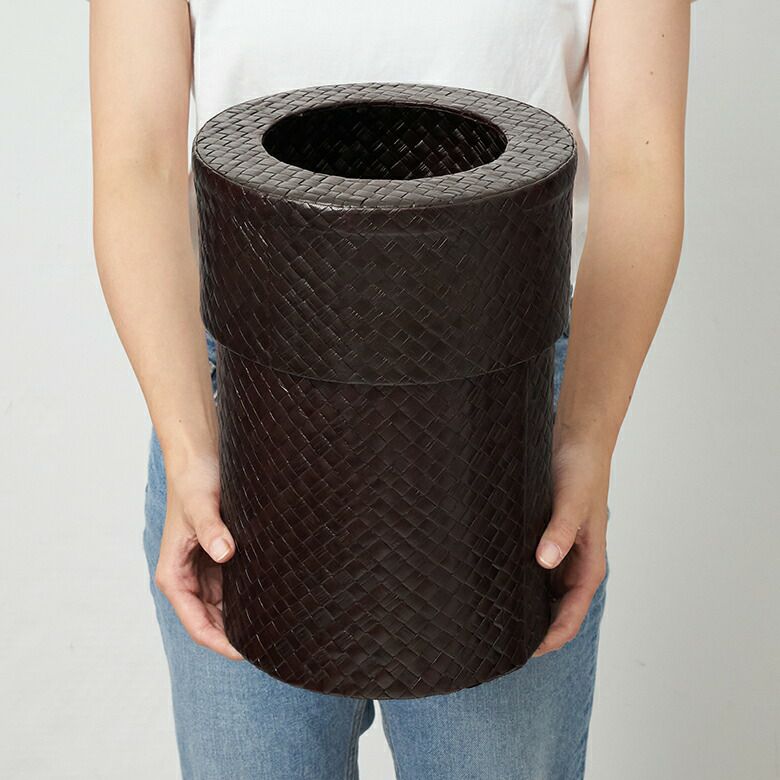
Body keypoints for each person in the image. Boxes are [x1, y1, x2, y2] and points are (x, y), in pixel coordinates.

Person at [88, 1, 692, 777]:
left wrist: (582, 437)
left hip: (494, 417)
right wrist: (187, 442)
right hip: (246, 410)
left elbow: (640, 167)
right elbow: (137, 162)